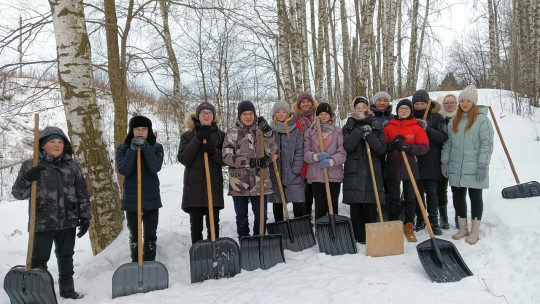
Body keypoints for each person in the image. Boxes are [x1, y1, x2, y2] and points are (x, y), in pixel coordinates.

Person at [12, 126, 91, 299]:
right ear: (42, 146)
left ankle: (68, 291)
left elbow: (82, 193)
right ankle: (38, 293)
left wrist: (85, 216)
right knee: (38, 262)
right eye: (52, 142)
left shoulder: (72, 165)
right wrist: (27, 178)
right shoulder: (31, 164)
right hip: (42, 221)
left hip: (68, 221)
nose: (57, 145)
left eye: (60, 142)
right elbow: (18, 194)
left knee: (66, 257)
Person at [441, 85, 494, 245]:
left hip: (475, 166)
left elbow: (487, 144)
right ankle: (463, 228)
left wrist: (482, 165)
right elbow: (449, 144)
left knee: (475, 197)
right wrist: (445, 162)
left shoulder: (482, 120)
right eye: (462, 101)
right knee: (458, 197)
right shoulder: (454, 121)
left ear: (474, 102)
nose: (464, 104)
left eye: (468, 101)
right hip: (457, 167)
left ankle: (475, 230)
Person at [222, 100, 277, 238]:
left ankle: (259, 239)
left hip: (260, 178)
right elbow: (226, 157)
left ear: (254, 114)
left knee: (261, 215)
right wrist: (250, 161)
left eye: (251, 113)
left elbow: (272, 151)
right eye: (245, 114)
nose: (248, 117)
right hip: (239, 179)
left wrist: (269, 133)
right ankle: (244, 239)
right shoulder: (232, 133)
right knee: (241, 215)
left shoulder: (261, 131)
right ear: (239, 116)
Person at [116, 115, 164, 262]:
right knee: (135, 236)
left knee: (150, 235)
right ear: (132, 131)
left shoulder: (157, 148)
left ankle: (150, 262)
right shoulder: (123, 149)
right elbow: (124, 170)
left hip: (151, 198)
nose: (140, 132)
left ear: (149, 131)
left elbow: (155, 167)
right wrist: (132, 149)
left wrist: (146, 148)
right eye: (137, 129)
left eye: (144, 129)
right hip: (132, 199)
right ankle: (136, 262)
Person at [178, 102, 226, 244]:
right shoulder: (187, 136)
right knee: (196, 226)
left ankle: (214, 251)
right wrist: (197, 139)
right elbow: (184, 158)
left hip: (213, 185)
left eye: (209, 113)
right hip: (194, 187)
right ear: (197, 116)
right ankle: (198, 253)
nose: (206, 115)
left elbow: (226, 159)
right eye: (203, 113)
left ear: (213, 116)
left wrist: (212, 151)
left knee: (213, 224)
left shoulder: (220, 135)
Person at [383, 99, 429, 242]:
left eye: (406, 109)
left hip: (410, 166)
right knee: (394, 198)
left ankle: (409, 224)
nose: (403, 111)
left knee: (410, 198)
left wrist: (410, 148)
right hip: (393, 165)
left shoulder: (416, 127)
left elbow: (424, 147)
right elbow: (382, 146)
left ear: (410, 111)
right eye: (401, 108)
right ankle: (394, 222)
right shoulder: (389, 127)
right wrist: (393, 144)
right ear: (397, 111)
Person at [342, 96, 387, 243]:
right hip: (354, 170)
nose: (361, 110)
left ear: (368, 108)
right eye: (358, 107)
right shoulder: (348, 126)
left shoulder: (375, 125)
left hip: (371, 169)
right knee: (356, 204)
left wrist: (369, 135)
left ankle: (372, 237)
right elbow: (348, 146)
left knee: (370, 202)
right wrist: (359, 131)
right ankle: (358, 236)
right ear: (353, 109)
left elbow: (381, 149)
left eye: (363, 107)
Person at [411, 90, 448, 235]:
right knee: (417, 192)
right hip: (415, 159)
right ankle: (421, 219)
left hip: (431, 160)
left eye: (422, 103)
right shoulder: (410, 117)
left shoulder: (437, 117)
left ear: (428, 104)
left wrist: (427, 129)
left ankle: (434, 221)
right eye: (417, 103)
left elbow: (443, 136)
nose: (419, 106)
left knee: (432, 192)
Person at [303, 102, 346, 221]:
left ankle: (334, 228)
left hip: (333, 173)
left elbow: (342, 153)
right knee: (320, 205)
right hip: (317, 175)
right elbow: (305, 154)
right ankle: (320, 229)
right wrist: (316, 157)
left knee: (332, 204)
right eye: (320, 114)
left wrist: (331, 161)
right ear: (316, 116)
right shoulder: (310, 132)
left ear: (331, 115)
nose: (323, 116)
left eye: (326, 114)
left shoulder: (338, 131)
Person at [268, 101, 305, 221]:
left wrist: (295, 171)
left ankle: (299, 230)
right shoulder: (269, 132)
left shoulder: (295, 132)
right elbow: (264, 150)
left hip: (293, 174)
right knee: (277, 203)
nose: (281, 114)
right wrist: (269, 158)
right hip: (275, 174)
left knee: (298, 203)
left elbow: (300, 152)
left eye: (283, 112)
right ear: (274, 114)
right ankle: (280, 230)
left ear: (288, 114)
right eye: (278, 112)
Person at [293, 92, 319, 224]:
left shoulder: (319, 116)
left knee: (318, 189)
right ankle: (306, 215)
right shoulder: (295, 119)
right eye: (303, 102)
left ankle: (320, 216)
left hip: (318, 157)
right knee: (306, 189)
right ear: (299, 105)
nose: (306, 104)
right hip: (303, 158)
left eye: (308, 101)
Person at [370, 91, 394, 221]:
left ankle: (388, 212)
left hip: (391, 156)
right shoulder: (370, 117)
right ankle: (376, 211)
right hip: (375, 156)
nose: (382, 103)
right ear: (375, 102)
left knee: (389, 185)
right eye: (380, 100)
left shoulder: (394, 118)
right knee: (376, 184)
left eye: (385, 100)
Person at [437, 93, 458, 229]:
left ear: (456, 104)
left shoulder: (461, 118)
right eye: (446, 103)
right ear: (443, 105)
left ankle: (459, 217)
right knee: (441, 190)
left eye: (452, 102)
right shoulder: (439, 118)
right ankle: (443, 217)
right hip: (440, 158)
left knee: (457, 189)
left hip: (457, 159)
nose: (449, 105)